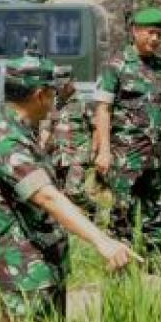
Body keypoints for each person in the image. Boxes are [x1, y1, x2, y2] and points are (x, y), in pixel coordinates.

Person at [0, 54, 134, 322]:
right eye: (52, 93)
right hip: (24, 270)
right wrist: (102, 241)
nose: (55, 100)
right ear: (40, 95)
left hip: (42, 262)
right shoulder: (5, 139)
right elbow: (47, 197)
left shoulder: (21, 130)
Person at [93, 6, 161, 256]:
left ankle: (155, 256)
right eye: (150, 32)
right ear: (135, 31)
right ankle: (122, 262)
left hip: (159, 152)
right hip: (127, 152)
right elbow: (103, 109)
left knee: (159, 204)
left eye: (159, 34)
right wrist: (103, 151)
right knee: (123, 208)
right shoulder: (117, 65)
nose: (155, 39)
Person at [43, 66, 99, 221]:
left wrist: (94, 151)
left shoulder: (83, 102)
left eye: (64, 84)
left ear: (73, 81)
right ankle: (66, 223)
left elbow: (96, 128)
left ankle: (94, 209)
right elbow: (47, 127)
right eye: (58, 85)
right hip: (57, 154)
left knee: (74, 190)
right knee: (58, 192)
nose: (61, 88)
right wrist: (41, 149)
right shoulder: (53, 102)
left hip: (78, 153)